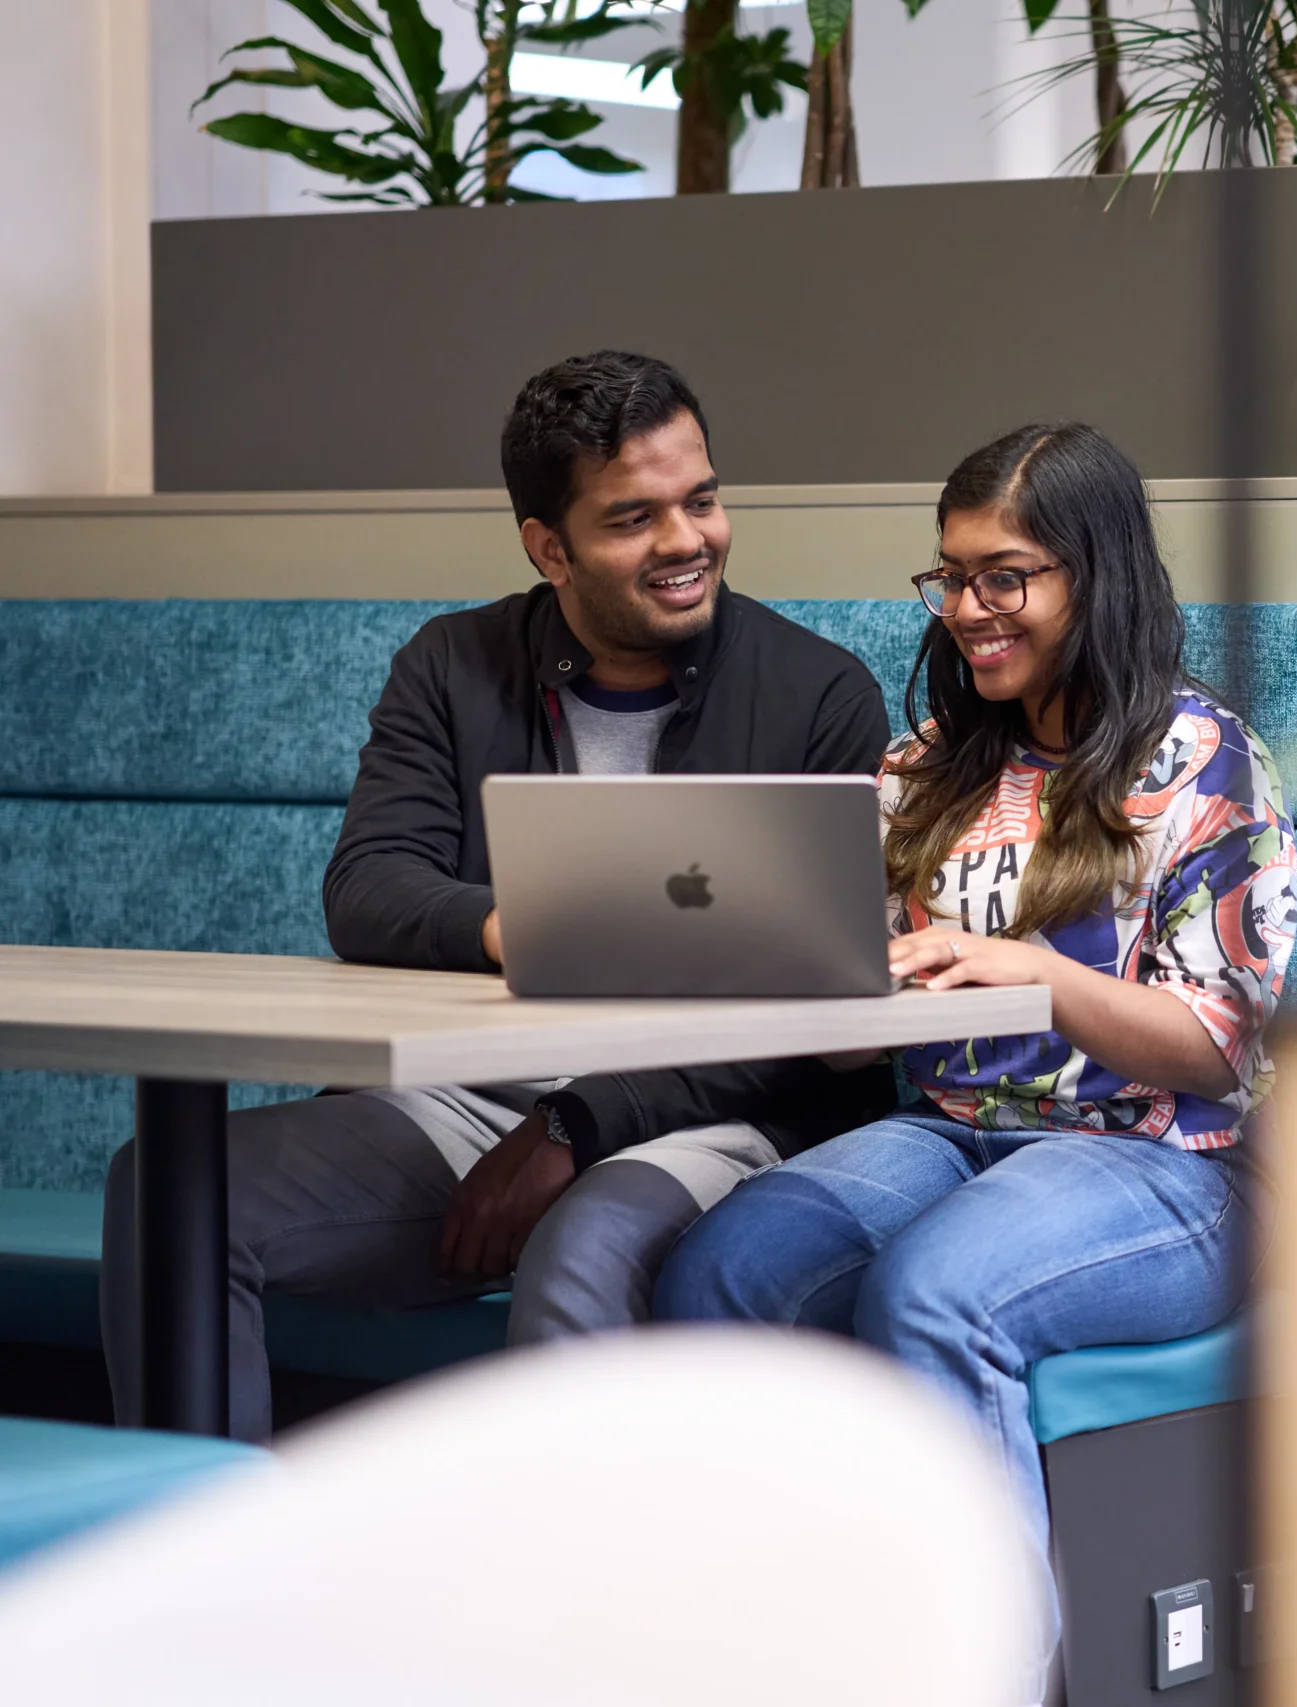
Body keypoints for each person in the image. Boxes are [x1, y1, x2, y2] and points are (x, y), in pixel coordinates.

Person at [100, 350, 895, 1440]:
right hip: (469, 1094)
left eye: (700, 500)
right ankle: (203, 1585)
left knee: (587, 1243)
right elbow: (369, 891)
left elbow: (822, 1004)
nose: (685, 542)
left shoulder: (817, 694)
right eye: (633, 519)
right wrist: (515, 928)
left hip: (716, 1113)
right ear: (546, 547)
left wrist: (579, 1121)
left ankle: (568, 1611)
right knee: (172, 1198)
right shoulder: (450, 664)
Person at [653, 422, 1296, 1664]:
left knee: (937, 1294)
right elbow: (864, 1037)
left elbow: (1216, 1044)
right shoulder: (931, 769)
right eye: (949, 576)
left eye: (1005, 576)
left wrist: (1040, 977)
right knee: (718, 1275)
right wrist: (800, 974)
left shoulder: (1203, 760)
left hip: (1175, 1162)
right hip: (951, 1132)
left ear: (1092, 579)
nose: (966, 608)